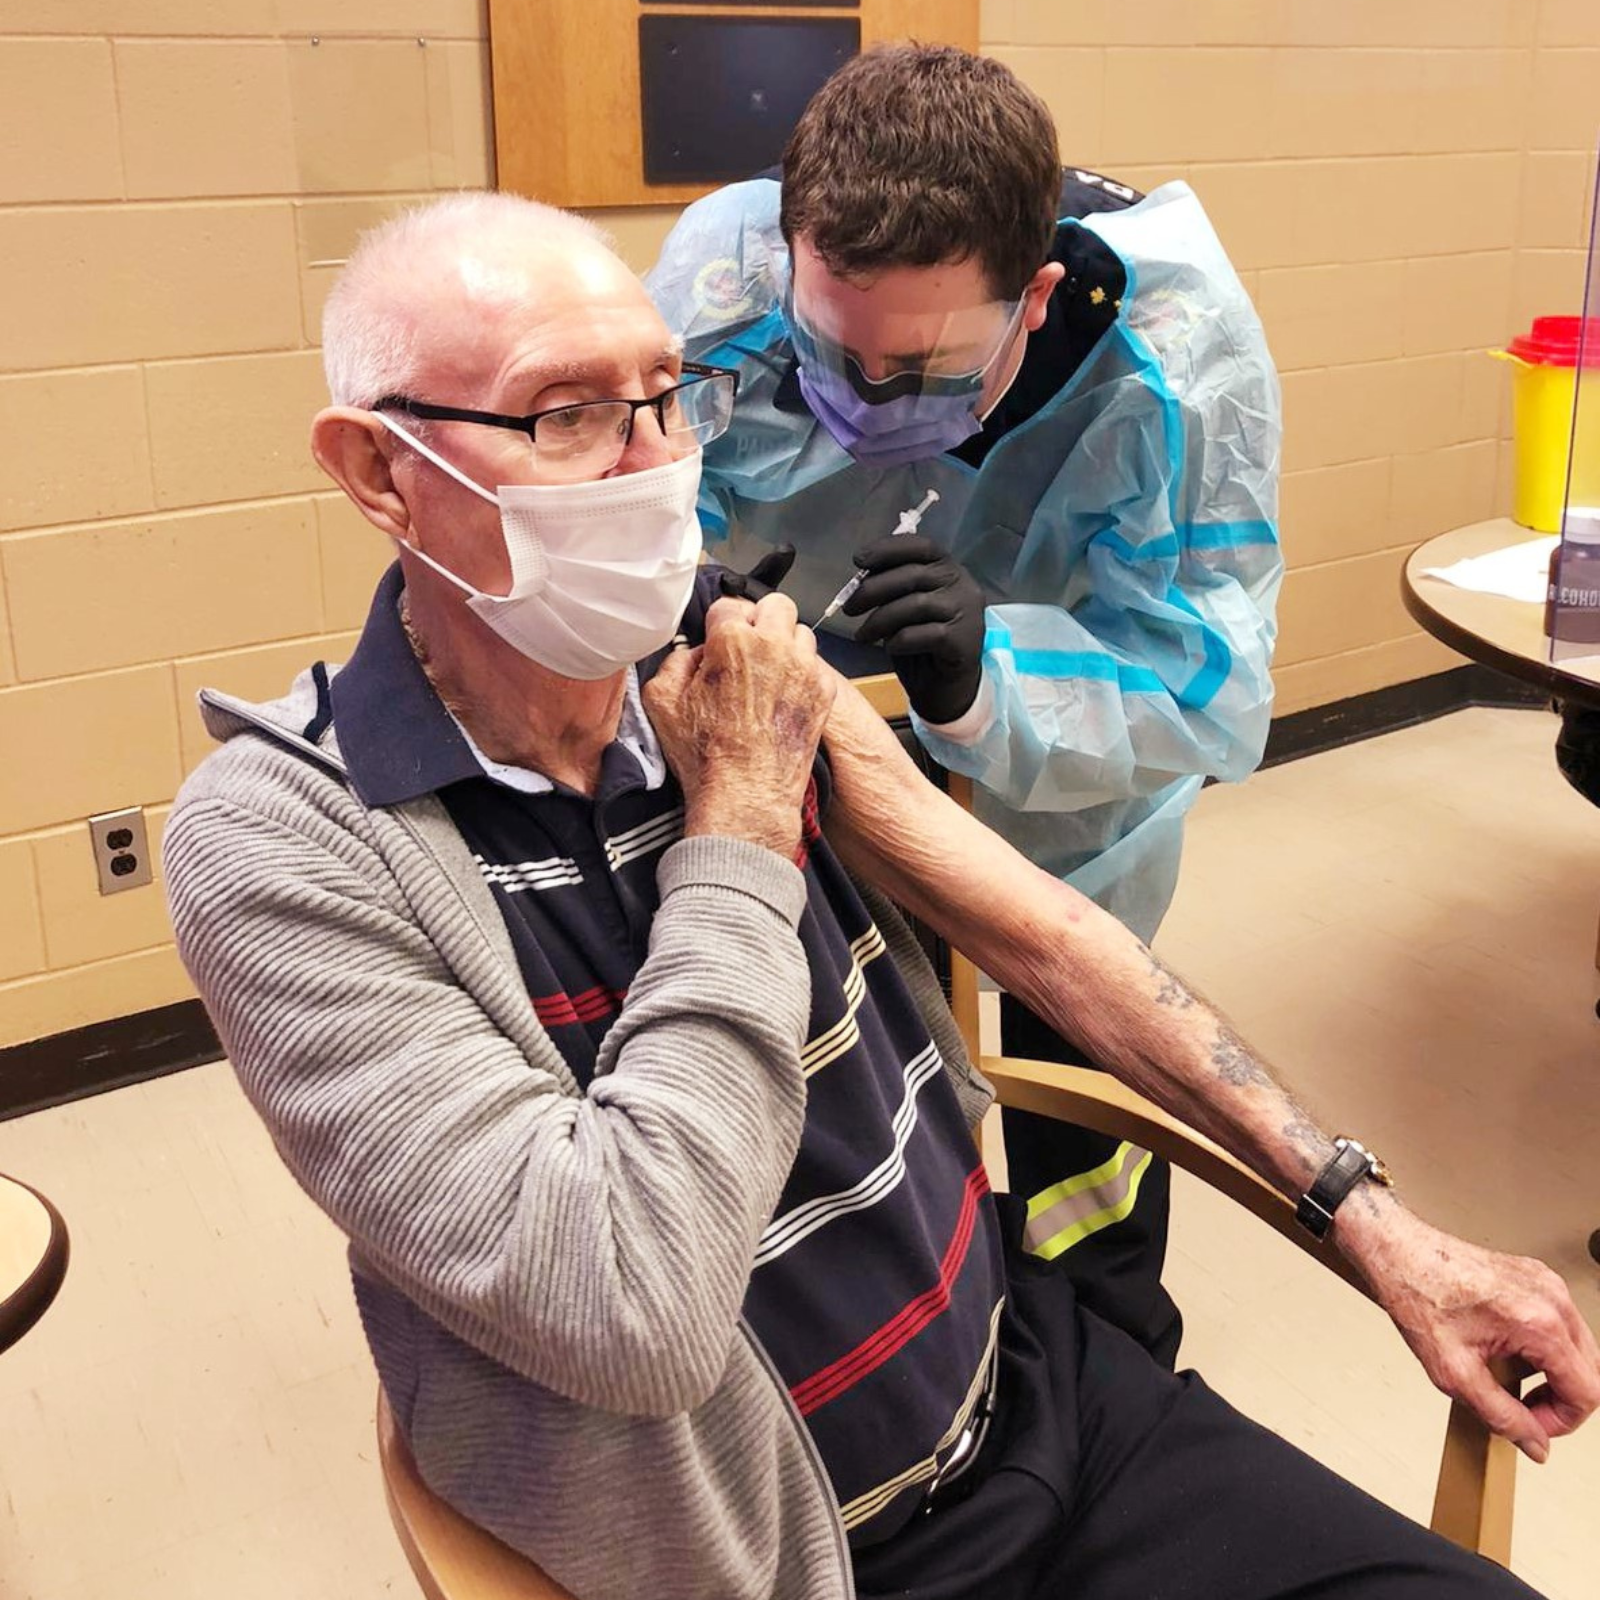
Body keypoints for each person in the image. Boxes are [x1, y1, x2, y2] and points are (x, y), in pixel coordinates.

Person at [164, 193, 1596, 1600]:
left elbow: (1044, 936)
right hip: (809, 1546)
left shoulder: (712, 649)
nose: (652, 463)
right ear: (380, 472)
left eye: (666, 396)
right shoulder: (288, 843)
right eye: (565, 415)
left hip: (1043, 1393)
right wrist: (737, 822)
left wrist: (1378, 1226)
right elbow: (635, 1306)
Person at [645, 43, 1283, 1366]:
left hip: (1072, 771)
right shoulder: (726, 272)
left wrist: (992, 671)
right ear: (792, 262)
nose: (869, 406)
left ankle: (1104, 1352)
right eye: (837, 356)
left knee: (1083, 1080)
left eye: (931, 370)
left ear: (1035, 295)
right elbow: (651, 493)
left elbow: (1212, 690)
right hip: (816, 704)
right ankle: (904, 1342)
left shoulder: (1177, 359)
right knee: (861, 1042)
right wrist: (681, 586)